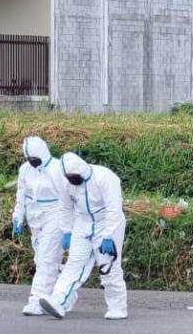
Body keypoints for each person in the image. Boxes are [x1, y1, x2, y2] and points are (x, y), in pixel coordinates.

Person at [39, 152, 128, 320]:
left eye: (74, 176)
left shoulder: (104, 177)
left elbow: (114, 208)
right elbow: (65, 207)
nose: (71, 179)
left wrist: (108, 235)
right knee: (73, 265)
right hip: (82, 222)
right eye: (68, 177)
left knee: (108, 266)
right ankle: (58, 302)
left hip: (106, 221)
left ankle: (118, 307)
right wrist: (67, 231)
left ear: (82, 170)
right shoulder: (66, 183)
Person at [11, 136, 70, 316]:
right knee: (42, 260)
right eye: (29, 159)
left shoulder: (57, 169)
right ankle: (65, 295)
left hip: (55, 215)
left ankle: (36, 301)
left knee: (46, 259)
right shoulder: (25, 170)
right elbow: (21, 194)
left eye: (34, 158)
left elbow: (67, 200)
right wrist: (18, 217)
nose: (32, 162)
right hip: (34, 217)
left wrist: (67, 227)